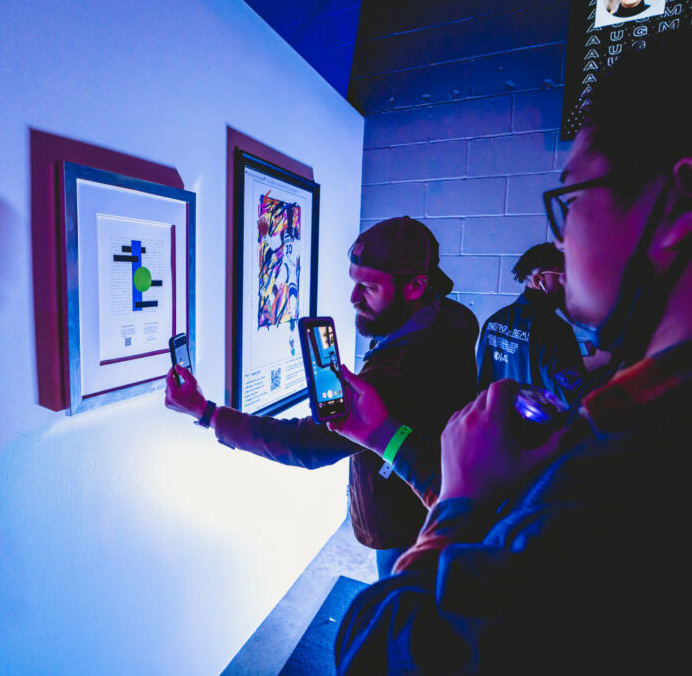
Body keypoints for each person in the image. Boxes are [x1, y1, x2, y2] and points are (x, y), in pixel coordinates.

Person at [327, 14, 692, 673]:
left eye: (573, 199)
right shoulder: (666, 407)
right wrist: (388, 433)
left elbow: (379, 650)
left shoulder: (628, 493)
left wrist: (455, 508)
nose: (560, 241)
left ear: (684, 200)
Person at [164, 216, 478, 578]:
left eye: (370, 287)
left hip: (407, 525)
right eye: (354, 282)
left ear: (416, 286)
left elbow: (308, 445)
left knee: (399, 614)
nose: (353, 298)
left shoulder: (401, 370)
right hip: (425, 506)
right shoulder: (452, 317)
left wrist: (207, 413)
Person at [476, 243, 586, 404]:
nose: (567, 282)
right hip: (538, 427)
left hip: (496, 419)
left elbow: (482, 378)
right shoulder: (555, 329)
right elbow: (571, 395)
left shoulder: (494, 321)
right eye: (562, 274)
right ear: (538, 279)